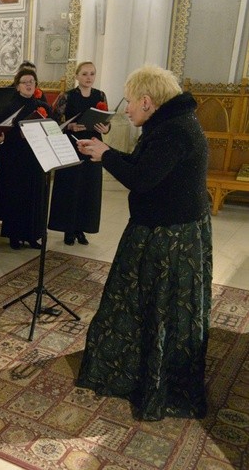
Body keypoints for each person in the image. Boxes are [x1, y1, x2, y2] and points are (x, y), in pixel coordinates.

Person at [75, 65, 212, 421]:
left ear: (148, 102)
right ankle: (140, 367)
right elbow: (142, 163)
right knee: (147, 304)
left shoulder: (175, 132)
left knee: (156, 306)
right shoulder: (170, 122)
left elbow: (142, 178)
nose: (127, 109)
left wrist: (106, 155)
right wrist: (107, 151)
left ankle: (153, 379)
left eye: (131, 102)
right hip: (170, 226)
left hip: (170, 236)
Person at [48, 61, 109, 246]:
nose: (88, 77)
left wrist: (105, 129)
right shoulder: (66, 96)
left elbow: (107, 121)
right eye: (84, 74)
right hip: (72, 146)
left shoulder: (100, 95)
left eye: (92, 74)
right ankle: (68, 228)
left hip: (93, 146)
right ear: (76, 76)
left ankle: (82, 228)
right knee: (69, 188)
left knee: (88, 189)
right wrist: (70, 126)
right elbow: (54, 122)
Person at [0, 67, 52, 250]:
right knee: (17, 196)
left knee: (35, 196)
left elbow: (53, 127)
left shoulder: (43, 106)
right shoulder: (9, 106)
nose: (28, 85)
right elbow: (1, 132)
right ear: (17, 86)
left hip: (36, 158)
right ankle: (15, 236)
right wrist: (18, 135)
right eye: (24, 82)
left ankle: (33, 236)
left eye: (31, 82)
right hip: (15, 159)